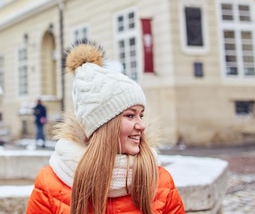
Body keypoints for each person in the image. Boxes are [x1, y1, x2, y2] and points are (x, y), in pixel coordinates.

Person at [26, 40, 185, 214]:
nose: (141, 125)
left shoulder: (160, 181)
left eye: (141, 115)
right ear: (102, 125)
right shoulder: (51, 184)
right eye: (130, 116)